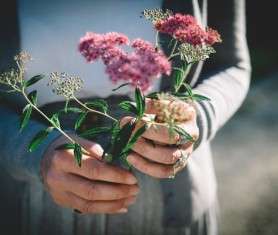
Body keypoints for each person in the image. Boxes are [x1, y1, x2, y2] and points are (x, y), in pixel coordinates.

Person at [0, 0, 251, 234]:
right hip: (37, 208)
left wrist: (194, 116)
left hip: (176, 206)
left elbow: (232, 65)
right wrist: (33, 152)